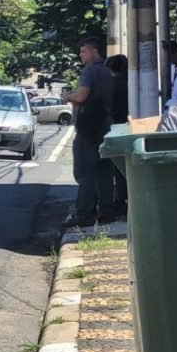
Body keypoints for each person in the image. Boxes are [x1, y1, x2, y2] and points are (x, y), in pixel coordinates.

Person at [62, 36, 116, 227]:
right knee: (104, 171)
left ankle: (85, 213)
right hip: (108, 126)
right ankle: (107, 210)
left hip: (89, 128)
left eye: (83, 51)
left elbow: (82, 95)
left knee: (85, 172)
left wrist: (68, 96)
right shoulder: (108, 71)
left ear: (94, 51)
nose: (81, 56)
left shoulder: (90, 71)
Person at [105, 54, 129, 217]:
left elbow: (108, 106)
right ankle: (124, 200)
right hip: (131, 123)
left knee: (118, 168)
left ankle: (121, 202)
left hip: (117, 126)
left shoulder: (113, 84)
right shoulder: (132, 81)